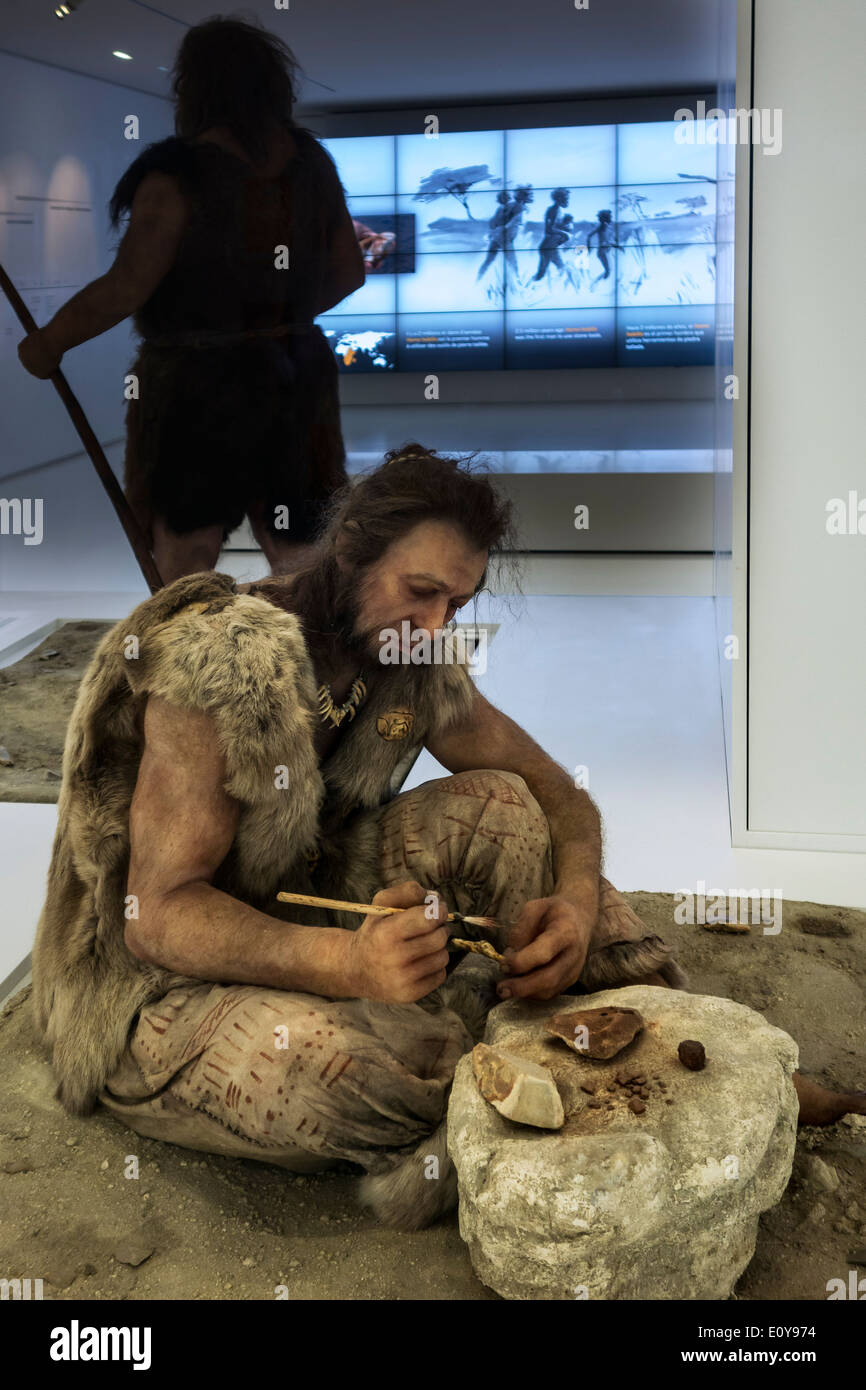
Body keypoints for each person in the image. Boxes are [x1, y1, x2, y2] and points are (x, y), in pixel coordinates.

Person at [30, 445, 865, 1230]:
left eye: (456, 604)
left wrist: (573, 911)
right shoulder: (223, 663)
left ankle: (683, 1051)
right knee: (340, 1069)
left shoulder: (405, 655)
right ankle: (518, 1082)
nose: (434, 625)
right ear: (352, 550)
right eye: (419, 591)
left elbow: (560, 794)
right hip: (148, 986)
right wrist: (347, 964)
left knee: (504, 805)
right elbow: (158, 915)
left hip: (310, 891)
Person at [17, 17, 364, 583]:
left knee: (186, 554)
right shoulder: (310, 166)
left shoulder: (178, 173)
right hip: (296, 378)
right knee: (302, 552)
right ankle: (312, 664)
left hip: (197, 392)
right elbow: (349, 273)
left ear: (196, 88)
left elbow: (128, 285)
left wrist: (48, 344)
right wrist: (276, 320)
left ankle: (191, 665)